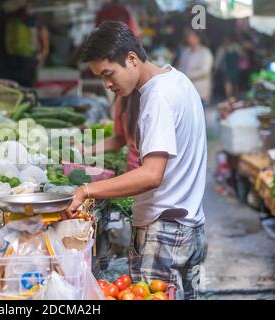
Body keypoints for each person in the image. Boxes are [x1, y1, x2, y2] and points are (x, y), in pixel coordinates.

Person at [67, 21, 207, 300]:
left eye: (109, 74)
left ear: (131, 59)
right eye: (100, 77)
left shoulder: (157, 98)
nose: (107, 84)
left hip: (164, 232)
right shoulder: (178, 80)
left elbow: (151, 174)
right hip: (189, 226)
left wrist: (86, 190)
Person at [177, 29, 214, 106]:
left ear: (198, 38)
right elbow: (180, 67)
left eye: (191, 36)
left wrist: (186, 75)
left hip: (200, 91)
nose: (189, 38)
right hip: (185, 92)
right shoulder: (185, 51)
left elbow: (204, 71)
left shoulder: (205, 52)